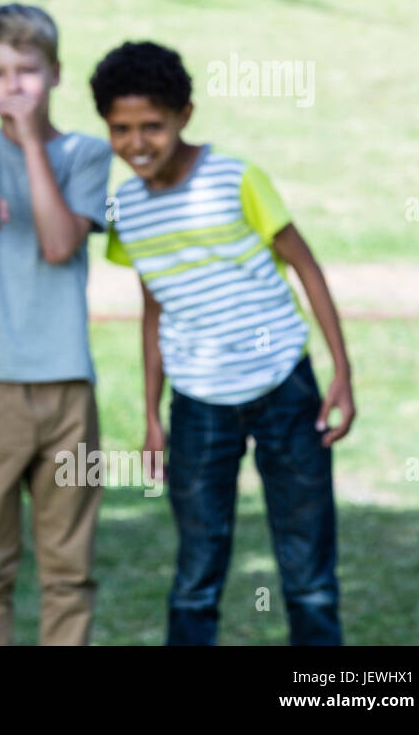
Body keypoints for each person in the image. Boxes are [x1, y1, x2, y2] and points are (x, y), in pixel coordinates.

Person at [90, 40, 355, 646]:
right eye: (121, 129)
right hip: (198, 403)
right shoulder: (125, 208)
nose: (136, 143)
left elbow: (307, 268)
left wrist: (341, 370)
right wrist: (153, 415)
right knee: (196, 572)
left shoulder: (236, 179)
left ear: (185, 113)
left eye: (152, 126)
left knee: (308, 569)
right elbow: (152, 306)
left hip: (285, 385)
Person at [0, 4, 112, 645]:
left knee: (69, 567)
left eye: (28, 71)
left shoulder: (86, 155)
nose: (13, 85)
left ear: (56, 73)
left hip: (68, 390)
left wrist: (34, 142)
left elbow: (61, 242)